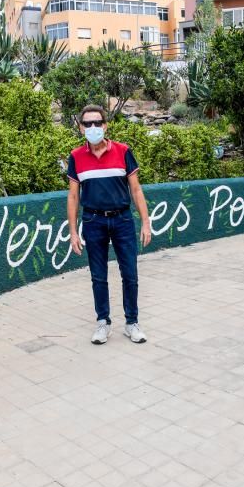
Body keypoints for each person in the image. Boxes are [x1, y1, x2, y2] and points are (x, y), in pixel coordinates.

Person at [67, 105, 152, 345]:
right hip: (93, 221)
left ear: (105, 125)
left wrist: (145, 222)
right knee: (98, 276)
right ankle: (103, 322)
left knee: (130, 274)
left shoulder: (123, 151)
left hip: (122, 220)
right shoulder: (76, 157)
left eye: (97, 123)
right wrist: (73, 232)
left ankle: (132, 322)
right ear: (81, 127)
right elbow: (73, 196)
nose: (92, 128)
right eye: (87, 124)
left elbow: (135, 189)